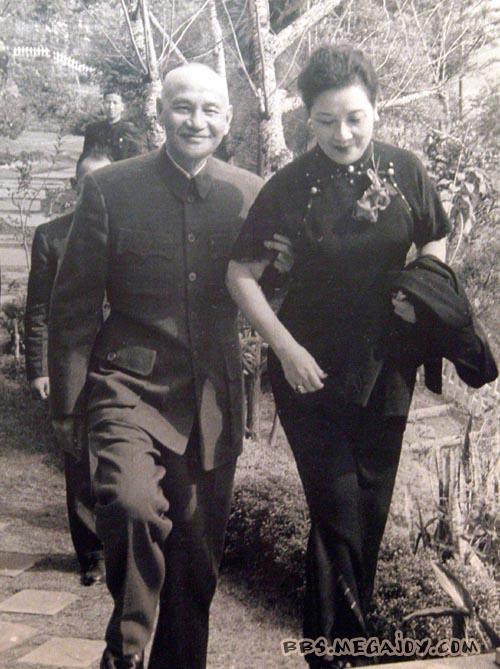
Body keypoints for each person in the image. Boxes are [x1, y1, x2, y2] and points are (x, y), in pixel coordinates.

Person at [48, 62, 290, 669]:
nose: (196, 121)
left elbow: (272, 292)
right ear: (161, 113)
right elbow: (73, 305)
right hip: (126, 388)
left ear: (228, 119)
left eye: (210, 110)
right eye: (183, 107)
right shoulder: (112, 189)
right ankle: (127, 647)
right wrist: (67, 407)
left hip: (212, 400)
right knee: (129, 504)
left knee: (195, 567)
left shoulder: (252, 193)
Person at [226, 45, 451, 668]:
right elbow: (239, 274)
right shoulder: (290, 187)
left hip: (388, 364)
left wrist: (422, 285)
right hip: (310, 370)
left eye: (355, 117)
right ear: (308, 119)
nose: (342, 133)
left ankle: (333, 654)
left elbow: (435, 234)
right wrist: (285, 347)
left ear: (376, 109)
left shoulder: (406, 170)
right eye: (326, 121)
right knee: (339, 508)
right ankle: (343, 652)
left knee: (368, 511)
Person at [24, 149, 113, 586]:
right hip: (70, 360)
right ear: (76, 186)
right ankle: (91, 553)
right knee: (78, 454)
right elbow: (38, 309)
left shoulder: (127, 233)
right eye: (88, 182)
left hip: (120, 358)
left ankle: (124, 544)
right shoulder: (51, 236)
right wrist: (38, 368)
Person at [82, 89, 143, 161]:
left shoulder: (130, 131)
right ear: (103, 105)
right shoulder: (92, 130)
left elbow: (135, 160)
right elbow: (85, 158)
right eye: (108, 102)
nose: (111, 107)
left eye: (115, 103)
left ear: (122, 107)